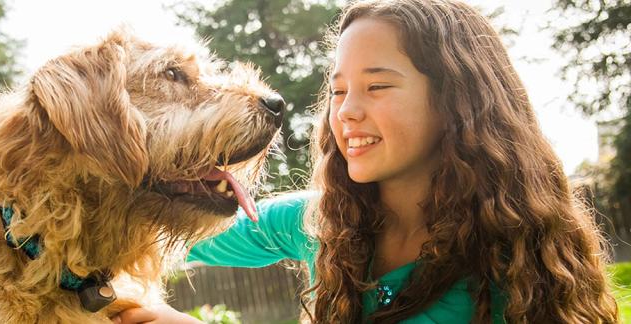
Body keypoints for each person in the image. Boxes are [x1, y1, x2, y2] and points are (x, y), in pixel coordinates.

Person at [115, 0, 619, 322]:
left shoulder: (514, 259)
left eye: (377, 86)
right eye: (337, 90)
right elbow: (168, 230)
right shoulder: (320, 223)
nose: (347, 111)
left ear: (457, 101)